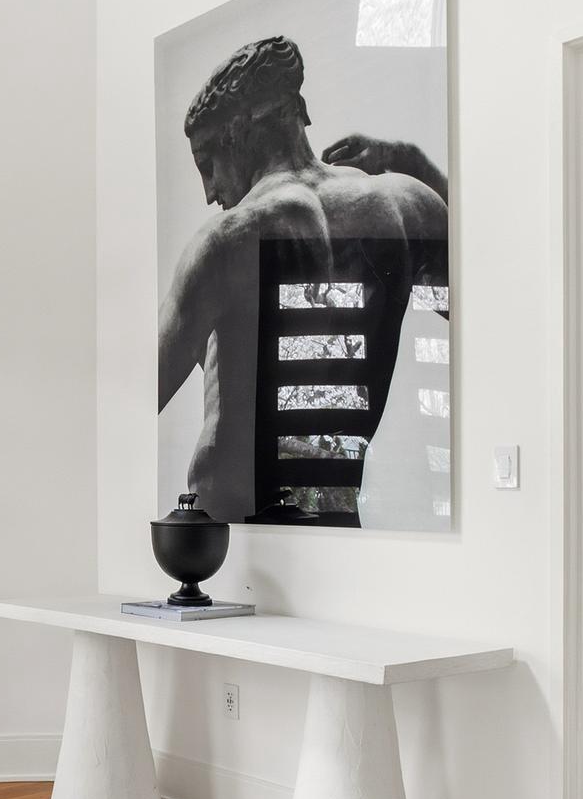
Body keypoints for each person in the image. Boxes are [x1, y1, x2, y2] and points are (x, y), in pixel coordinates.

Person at [158, 35, 448, 522]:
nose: (209, 192)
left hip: (229, 530)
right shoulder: (406, 205)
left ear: (238, 134)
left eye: (207, 164)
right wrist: (411, 159)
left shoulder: (229, 239)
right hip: (334, 513)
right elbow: (490, 302)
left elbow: (136, 394)